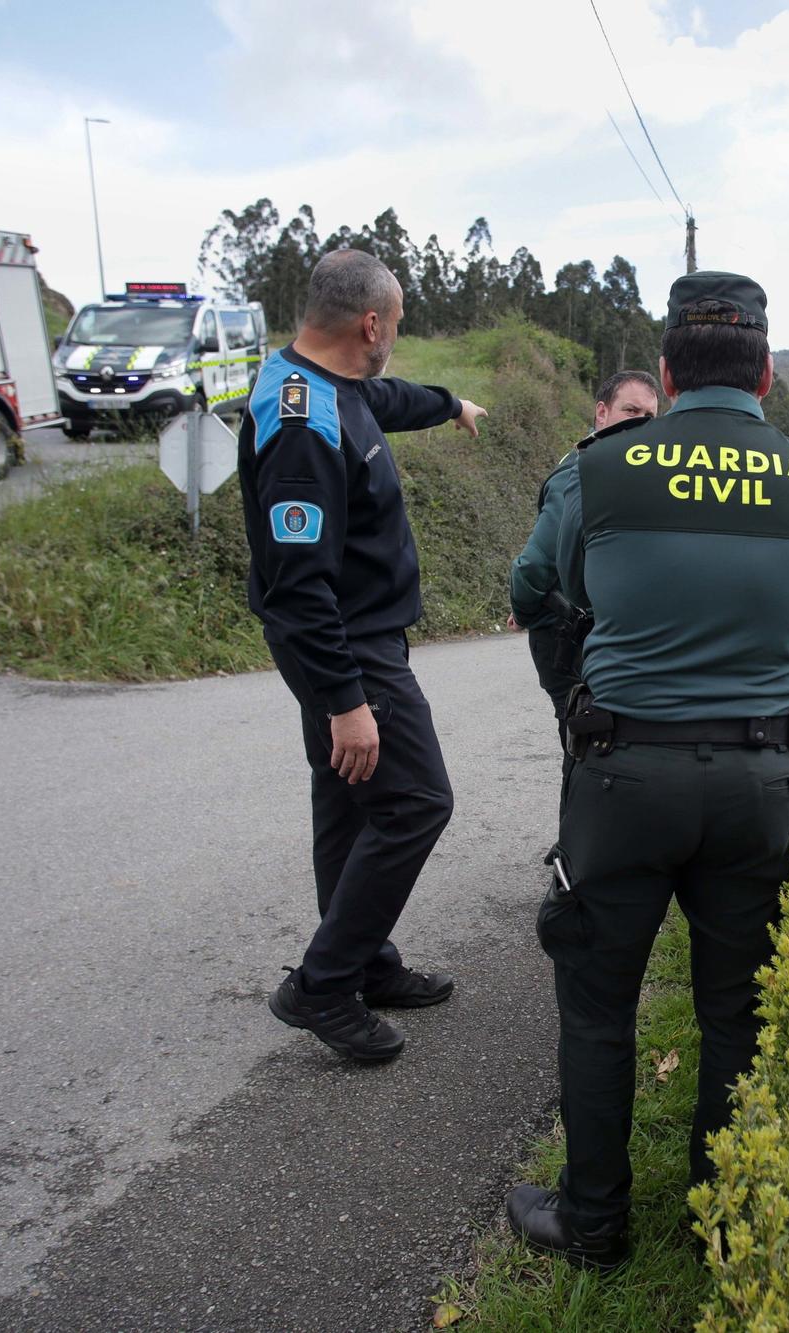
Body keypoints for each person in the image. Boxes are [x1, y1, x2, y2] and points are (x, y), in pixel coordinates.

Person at [505, 272, 789, 1270]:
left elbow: (537, 584)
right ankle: (716, 1223)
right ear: (768, 375)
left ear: (663, 372)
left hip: (622, 780)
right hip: (761, 782)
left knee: (598, 1001)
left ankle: (593, 1221)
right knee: (734, 1005)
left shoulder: (598, 470)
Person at [239, 249, 487, 1062]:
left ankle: (363, 965)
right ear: (371, 324)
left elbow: (383, 396)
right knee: (416, 800)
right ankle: (320, 985)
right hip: (347, 646)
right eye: (398, 324)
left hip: (352, 643)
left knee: (351, 803)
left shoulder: (328, 385)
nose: (396, 340)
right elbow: (300, 583)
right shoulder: (305, 426)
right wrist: (347, 700)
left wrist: (449, 404)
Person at [511, 369, 662, 808]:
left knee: (596, 738)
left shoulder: (620, 468)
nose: (641, 423)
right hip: (569, 633)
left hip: (604, 631)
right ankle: (577, 845)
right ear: (601, 412)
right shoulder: (585, 469)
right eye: (630, 411)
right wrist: (523, 608)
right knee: (581, 735)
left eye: (650, 416)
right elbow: (533, 566)